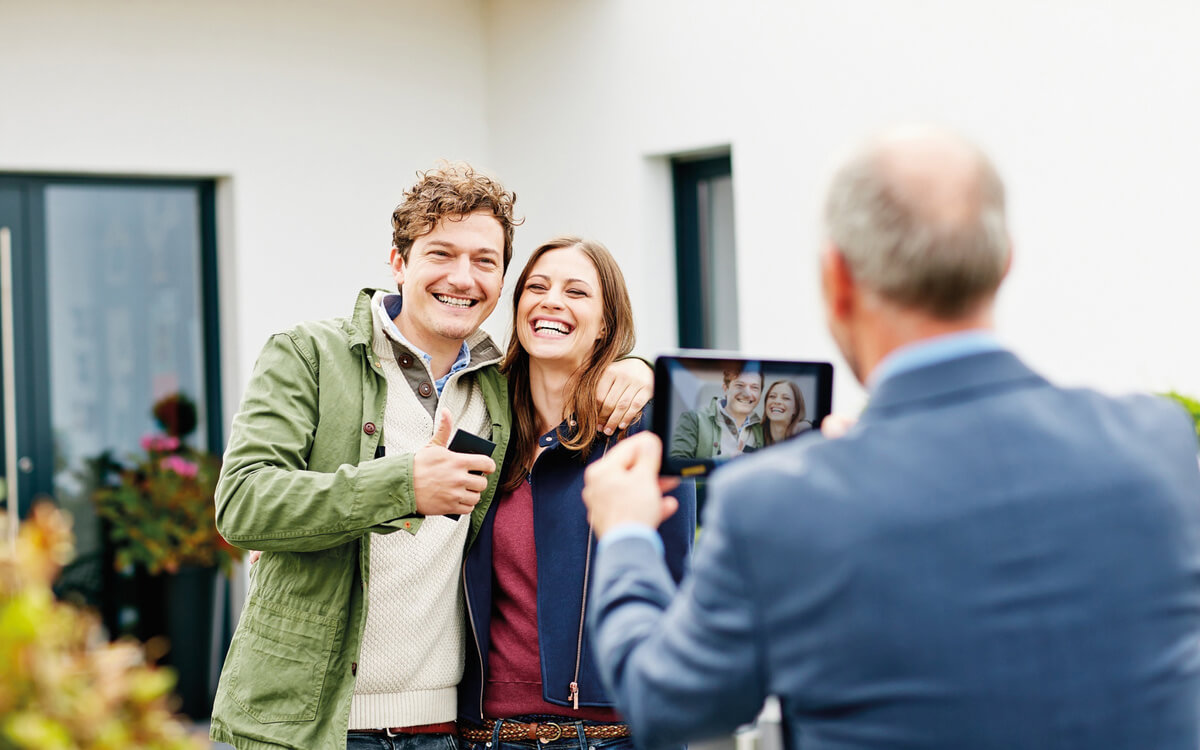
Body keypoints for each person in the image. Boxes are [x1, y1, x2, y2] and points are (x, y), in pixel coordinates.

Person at [580, 126, 1200, 749]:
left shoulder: (776, 505)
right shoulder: (1160, 443)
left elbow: (664, 705)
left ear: (838, 279)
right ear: (1005, 260)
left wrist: (628, 534)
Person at [209, 163, 653, 750]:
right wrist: (402, 485)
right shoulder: (310, 356)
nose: (462, 278)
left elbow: (572, 367)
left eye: (484, 261)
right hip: (303, 725)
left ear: (500, 280)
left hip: (443, 729)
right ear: (399, 261)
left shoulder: (499, 385)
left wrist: (636, 370)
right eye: (441, 254)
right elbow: (241, 504)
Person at [456, 236, 695, 750]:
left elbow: (675, 580)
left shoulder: (644, 430)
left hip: (611, 733)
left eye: (576, 292)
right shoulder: (483, 424)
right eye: (536, 287)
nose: (551, 301)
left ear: (606, 323)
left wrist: (645, 370)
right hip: (486, 734)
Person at [668, 363, 763, 459]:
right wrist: (724, 461)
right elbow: (676, 463)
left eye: (754, 388)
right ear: (725, 389)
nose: (747, 394)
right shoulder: (693, 419)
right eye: (740, 385)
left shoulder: (762, 428)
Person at [758, 380, 812, 448]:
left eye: (786, 398)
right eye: (772, 396)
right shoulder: (756, 434)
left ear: (795, 408)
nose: (777, 401)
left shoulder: (806, 435)